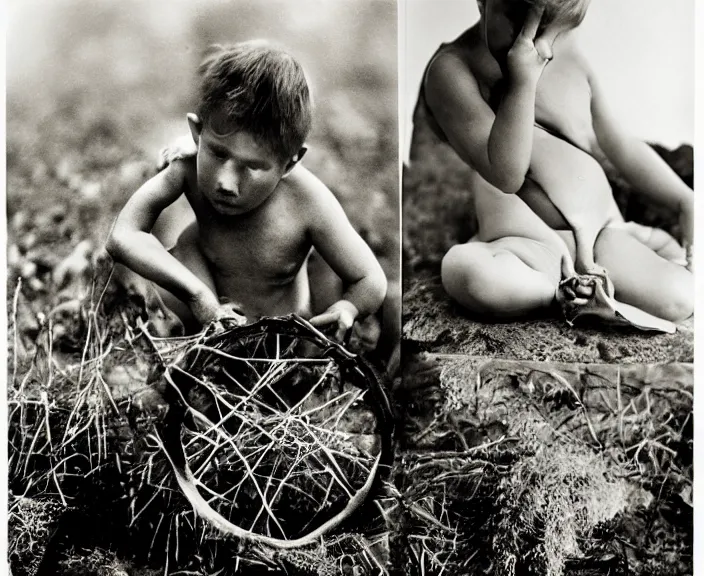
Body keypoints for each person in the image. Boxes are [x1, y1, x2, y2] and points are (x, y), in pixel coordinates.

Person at [421, 0, 693, 323]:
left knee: (680, 297)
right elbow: (507, 173)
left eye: (555, 28)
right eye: (522, 20)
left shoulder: (564, 55)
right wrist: (523, 82)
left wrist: (684, 200)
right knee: (464, 271)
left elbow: (618, 145)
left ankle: (591, 286)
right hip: (524, 243)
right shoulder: (452, 70)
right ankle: (559, 293)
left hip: (602, 239)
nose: (542, 47)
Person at [107, 41, 388, 344]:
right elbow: (122, 235)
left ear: (290, 162)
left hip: (282, 347)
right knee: (181, 251)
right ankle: (182, 349)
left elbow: (370, 279)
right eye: (217, 153)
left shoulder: (308, 201)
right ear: (196, 133)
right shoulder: (187, 167)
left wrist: (348, 307)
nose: (226, 183)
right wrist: (198, 296)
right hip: (208, 334)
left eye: (253, 167)